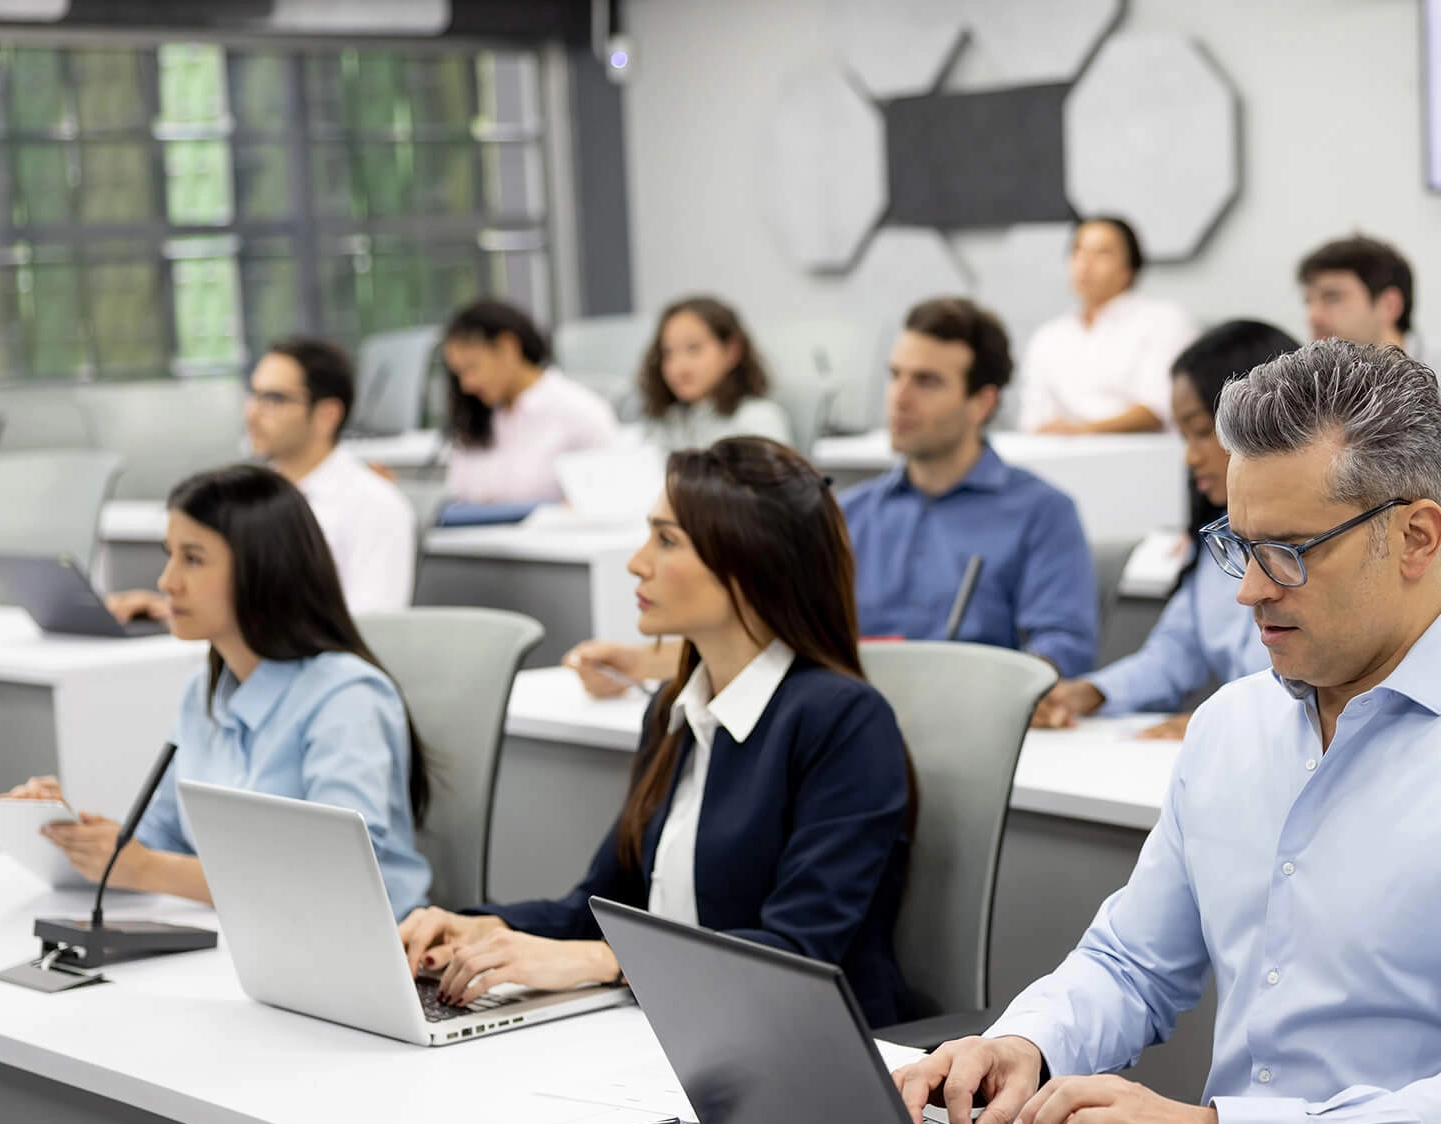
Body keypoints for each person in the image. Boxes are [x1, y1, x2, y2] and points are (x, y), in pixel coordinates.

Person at [892, 340, 1441, 1124]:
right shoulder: (1232, 728)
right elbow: (1131, 966)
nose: (1249, 590)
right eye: (1240, 546)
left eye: (1289, 552)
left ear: (1417, 536)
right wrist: (1025, 1043)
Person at [396, 438, 917, 1028]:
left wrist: (604, 961)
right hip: (677, 1027)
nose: (637, 562)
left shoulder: (846, 722)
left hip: (809, 1050)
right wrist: (489, 927)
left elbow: (798, 953)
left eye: (666, 540)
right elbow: (601, 906)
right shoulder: (677, 708)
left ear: (749, 564)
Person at [561, 299, 1100, 696]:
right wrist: (637, 664)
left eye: (927, 382)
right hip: (847, 722)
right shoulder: (849, 513)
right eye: (894, 377)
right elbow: (773, 634)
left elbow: (1059, 656)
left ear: (982, 402)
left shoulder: (1041, 514)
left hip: (974, 729)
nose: (899, 399)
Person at [5, 464, 432, 912]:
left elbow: (335, 877)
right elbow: (158, 841)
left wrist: (147, 867)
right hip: (238, 938)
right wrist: (73, 834)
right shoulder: (204, 691)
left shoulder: (348, 699)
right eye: (170, 555)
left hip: (361, 957)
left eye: (192, 558)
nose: (167, 581)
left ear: (264, 570)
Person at [1031, 320, 1297, 739]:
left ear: (1262, 419)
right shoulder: (1214, 544)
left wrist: (1218, 722)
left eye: (1199, 431)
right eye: (1181, 435)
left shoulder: (1329, 543)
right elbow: (1175, 652)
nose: (1189, 458)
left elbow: (1327, 687)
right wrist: (1089, 692)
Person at [109, 338, 415, 624]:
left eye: (273, 399)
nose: (252, 414)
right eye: (252, 395)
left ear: (327, 415)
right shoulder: (250, 500)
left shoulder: (375, 506)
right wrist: (169, 612)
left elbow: (371, 632)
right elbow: (243, 610)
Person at [1299, 234, 1441, 490]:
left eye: (1332, 297)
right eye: (1308, 301)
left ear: (1389, 305)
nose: (1313, 316)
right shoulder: (1320, 381)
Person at [1018, 217, 1198, 435]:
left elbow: (1157, 410)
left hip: (1146, 457)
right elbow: (1034, 421)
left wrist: (1082, 432)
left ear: (1129, 269)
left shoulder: (1164, 320)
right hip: (1060, 457)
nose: (1085, 263)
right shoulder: (1048, 337)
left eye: (1102, 253)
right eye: (1078, 251)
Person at [441, 299, 622, 506]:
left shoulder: (581, 413)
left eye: (471, 368)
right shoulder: (475, 421)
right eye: (458, 374)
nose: (466, 385)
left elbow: (604, 502)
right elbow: (457, 495)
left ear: (507, 347)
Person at [636, 296, 793, 453]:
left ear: (732, 350)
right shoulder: (669, 421)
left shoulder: (757, 419)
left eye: (693, 348)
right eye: (668, 353)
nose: (678, 367)